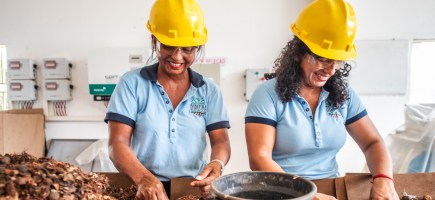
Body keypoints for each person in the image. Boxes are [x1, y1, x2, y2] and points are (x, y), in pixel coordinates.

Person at [244, 0, 399, 199]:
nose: (331, 70)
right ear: (298, 52)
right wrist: (307, 195)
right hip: (281, 191)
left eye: (338, 61)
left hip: (331, 190)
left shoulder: (344, 95)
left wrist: (384, 180)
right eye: (324, 59)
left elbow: (373, 143)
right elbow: (259, 158)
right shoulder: (267, 95)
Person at [105, 0, 231, 199]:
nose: (177, 57)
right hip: (143, 187)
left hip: (192, 187)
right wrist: (143, 179)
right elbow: (117, 143)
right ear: (155, 41)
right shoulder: (131, 84)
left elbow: (221, 140)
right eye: (169, 46)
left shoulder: (209, 91)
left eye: (188, 49)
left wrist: (217, 163)